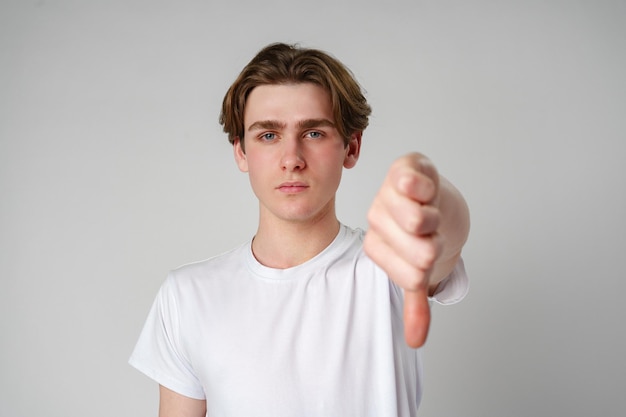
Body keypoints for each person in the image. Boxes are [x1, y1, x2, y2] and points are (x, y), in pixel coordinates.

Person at [129, 42, 470, 417]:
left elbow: (447, 238)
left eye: (313, 133)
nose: (291, 159)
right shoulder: (187, 296)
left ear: (351, 147)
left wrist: (431, 192)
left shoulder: (387, 268)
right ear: (241, 151)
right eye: (269, 135)